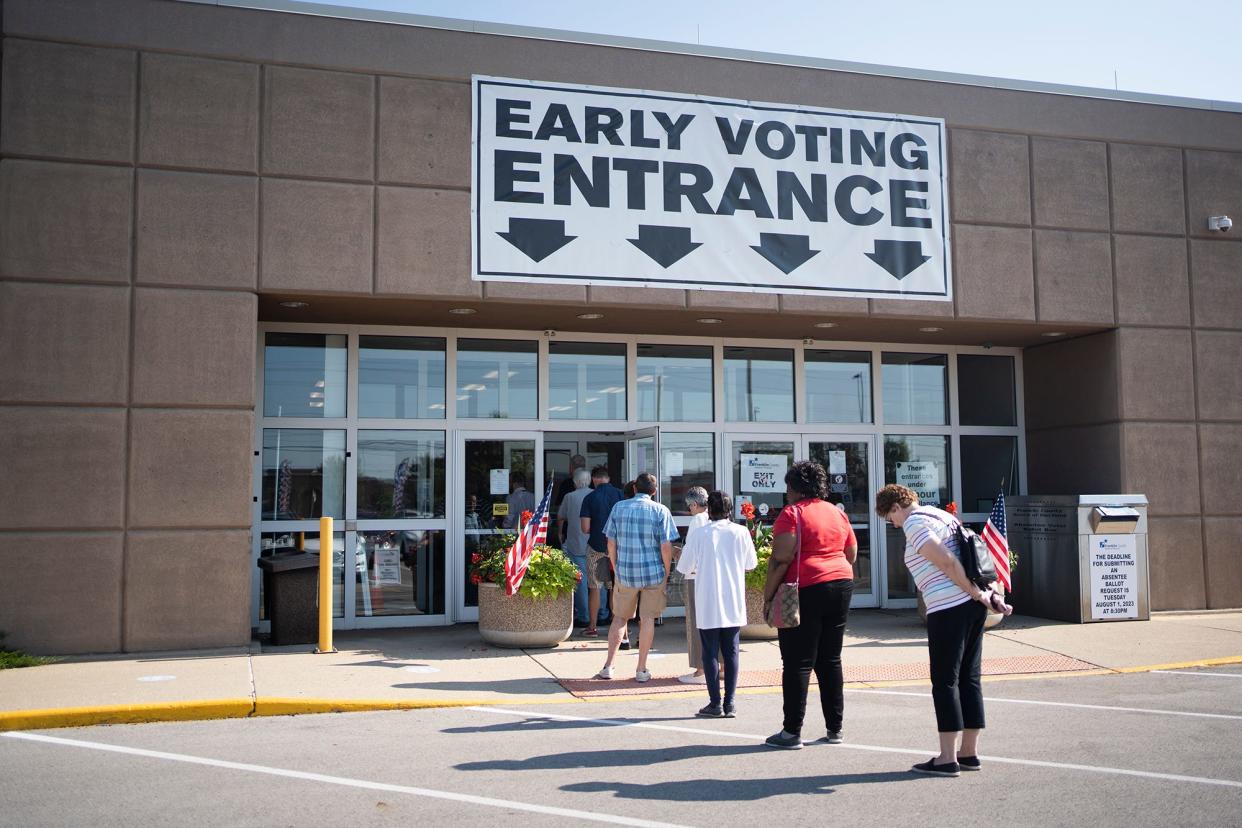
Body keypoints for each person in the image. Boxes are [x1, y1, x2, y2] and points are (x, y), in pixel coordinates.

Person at [875, 483, 998, 777]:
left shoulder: (915, 523)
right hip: (970, 607)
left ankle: (946, 757)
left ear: (895, 507)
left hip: (949, 606)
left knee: (945, 681)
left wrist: (974, 592)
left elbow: (945, 561)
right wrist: (984, 595)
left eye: (888, 517)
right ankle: (968, 753)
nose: (891, 524)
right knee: (969, 678)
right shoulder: (941, 516)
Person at [763, 460, 857, 750]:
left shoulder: (792, 513)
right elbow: (850, 551)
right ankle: (835, 729)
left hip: (806, 588)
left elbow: (781, 558)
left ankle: (791, 732)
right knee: (830, 659)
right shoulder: (836, 513)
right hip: (841, 583)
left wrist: (768, 596)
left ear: (794, 487)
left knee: (797, 662)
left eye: (788, 487)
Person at [676, 490, 756, 717]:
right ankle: (730, 702)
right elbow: (751, 564)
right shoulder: (740, 532)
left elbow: (684, 567)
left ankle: (715, 702)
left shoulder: (701, 533)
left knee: (709, 652)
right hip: (732, 597)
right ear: (730, 510)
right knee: (731, 651)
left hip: (707, 598)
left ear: (708, 510)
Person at [594, 472, 679, 683]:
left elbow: (610, 542)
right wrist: (667, 571)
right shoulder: (661, 510)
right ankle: (641, 669)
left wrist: (615, 565)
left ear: (634, 488)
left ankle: (609, 666)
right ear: (655, 491)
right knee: (648, 619)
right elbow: (666, 546)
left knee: (620, 618)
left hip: (625, 572)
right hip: (653, 573)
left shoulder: (619, 508)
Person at [579, 465, 623, 637]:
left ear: (594, 480)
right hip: (618, 548)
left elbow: (585, 528)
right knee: (614, 587)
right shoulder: (620, 495)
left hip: (597, 546)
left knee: (595, 587)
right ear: (608, 479)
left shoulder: (590, 498)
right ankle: (616, 622)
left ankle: (592, 626)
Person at [677, 486, 712, 684]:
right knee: (715, 624)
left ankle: (701, 670)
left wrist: (679, 560)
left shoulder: (697, 520)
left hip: (696, 576)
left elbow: (691, 551)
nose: (689, 510)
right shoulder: (716, 518)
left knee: (697, 623)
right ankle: (721, 666)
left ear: (695, 504)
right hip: (713, 577)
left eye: (689, 506)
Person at [558, 468, 594, 627]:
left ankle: (584, 616)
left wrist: (560, 533)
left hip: (576, 543)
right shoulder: (595, 494)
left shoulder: (569, 496)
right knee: (599, 580)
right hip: (595, 543)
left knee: (581, 580)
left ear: (575, 482)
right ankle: (602, 613)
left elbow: (561, 517)